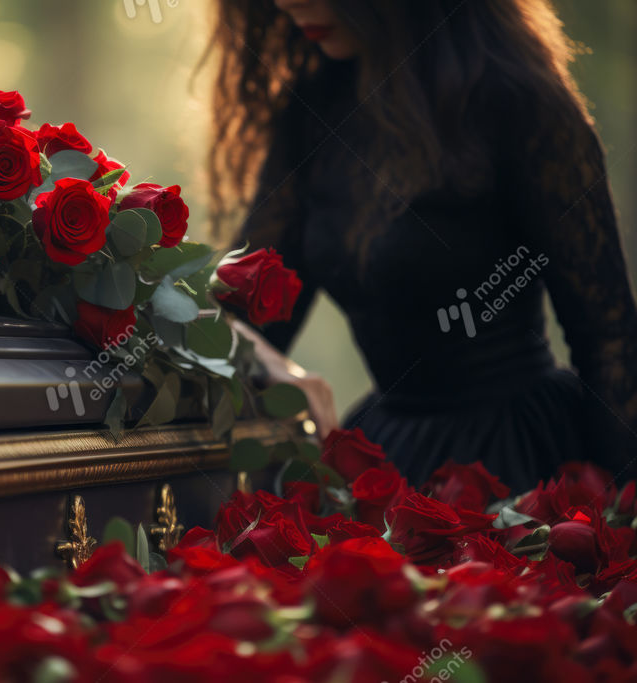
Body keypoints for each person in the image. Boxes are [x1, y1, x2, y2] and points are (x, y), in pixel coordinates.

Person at [207, 0, 637, 490]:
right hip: (384, 460)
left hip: (519, 464)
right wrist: (262, 357)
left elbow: (608, 337)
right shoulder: (312, 113)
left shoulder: (519, 101)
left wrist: (622, 524)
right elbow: (239, 317)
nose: (285, 2)